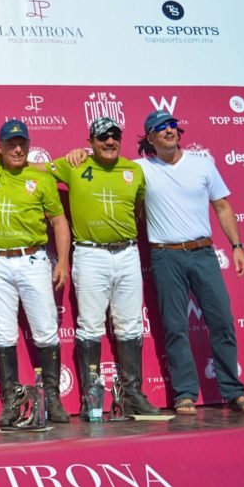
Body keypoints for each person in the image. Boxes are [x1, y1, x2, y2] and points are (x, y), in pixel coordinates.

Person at [0, 76, 72, 427]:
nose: (18, 150)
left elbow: (60, 223)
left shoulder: (43, 180)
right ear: (0, 146)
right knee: (3, 334)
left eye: (22, 144)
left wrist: (62, 260)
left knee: (46, 331)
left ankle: (52, 398)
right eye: (11, 144)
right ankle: (11, 402)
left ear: (28, 145)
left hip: (34, 259)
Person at [135, 109, 244, 415]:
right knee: (175, 327)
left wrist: (238, 246)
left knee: (222, 322)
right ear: (150, 137)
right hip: (165, 256)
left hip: (203, 253)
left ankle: (233, 391)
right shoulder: (139, 169)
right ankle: (185, 394)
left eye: (173, 124)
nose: (169, 129)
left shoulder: (203, 163)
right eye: (160, 127)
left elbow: (222, 206)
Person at [44, 117, 159, 418]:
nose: (109, 142)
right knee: (90, 325)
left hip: (128, 252)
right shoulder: (75, 165)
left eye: (114, 136)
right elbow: (33, 169)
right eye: (102, 137)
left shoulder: (134, 171)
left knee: (131, 324)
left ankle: (133, 394)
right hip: (90, 254)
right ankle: (91, 399)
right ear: (90, 142)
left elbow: (140, 210)